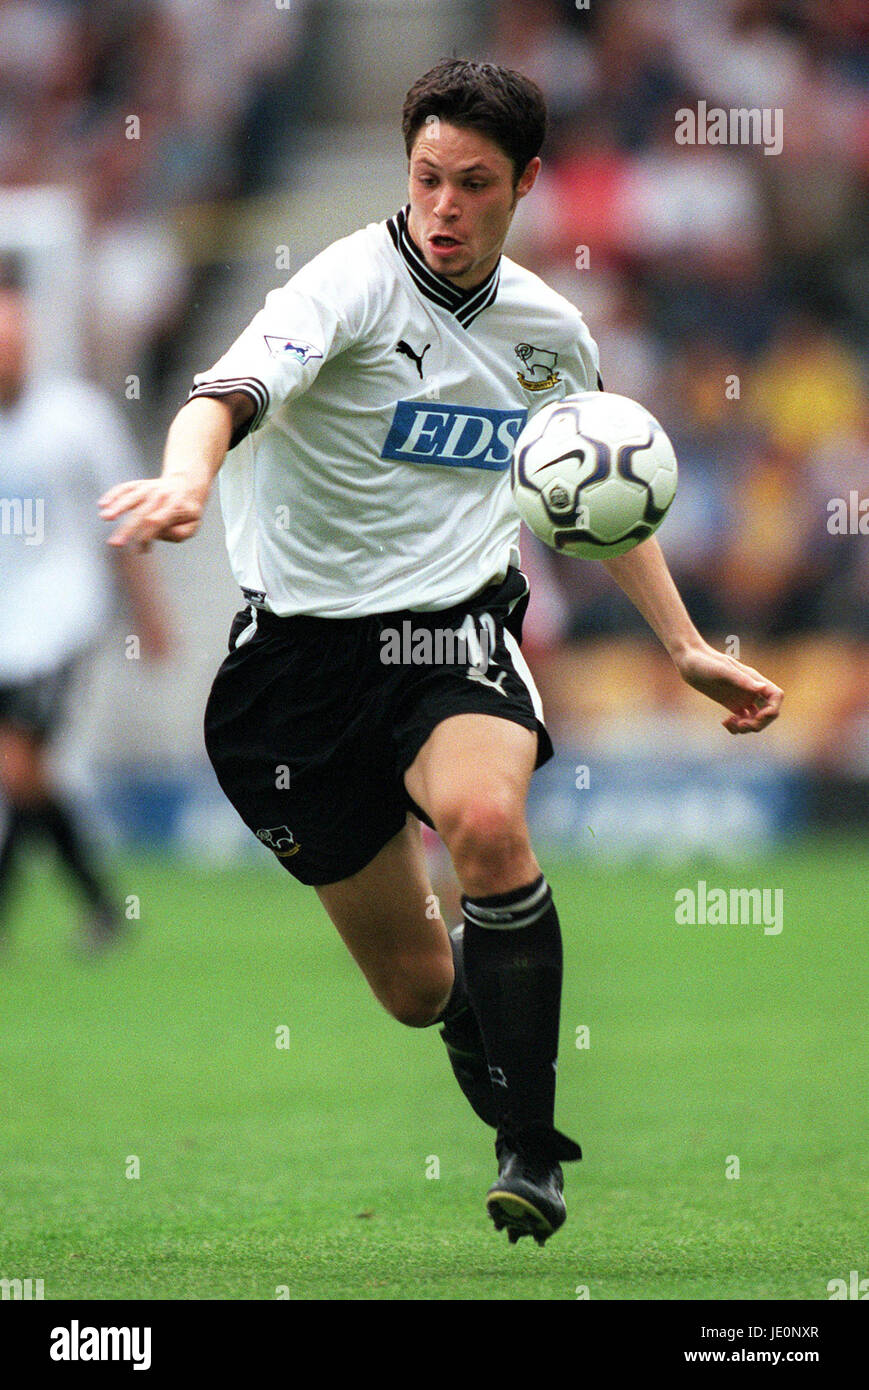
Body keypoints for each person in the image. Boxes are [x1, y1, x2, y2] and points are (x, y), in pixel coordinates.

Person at [99, 60, 783, 1244]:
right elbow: (223, 397)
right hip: (293, 669)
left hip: (449, 632)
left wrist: (681, 645)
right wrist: (184, 477)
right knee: (418, 990)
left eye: (474, 184)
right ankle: (485, 1000)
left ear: (525, 184)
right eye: (425, 178)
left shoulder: (549, 335)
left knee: (484, 824)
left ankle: (532, 1142)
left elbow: (597, 500)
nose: (444, 207)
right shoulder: (344, 288)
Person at [0, 268, 170, 951]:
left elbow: (120, 526)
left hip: (61, 622)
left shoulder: (75, 417)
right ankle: (104, 910)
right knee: (26, 775)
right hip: (5, 629)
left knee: (16, 766)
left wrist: (148, 618)